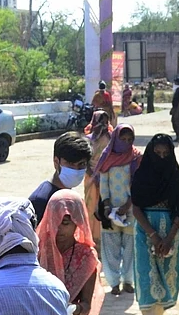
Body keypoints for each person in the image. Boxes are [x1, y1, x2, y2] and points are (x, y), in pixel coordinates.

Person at [131, 134, 179, 315]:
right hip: (145, 232)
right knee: (147, 282)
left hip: (170, 233)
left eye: (166, 154)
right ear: (150, 153)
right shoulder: (141, 175)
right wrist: (153, 235)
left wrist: (168, 238)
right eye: (157, 153)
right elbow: (136, 208)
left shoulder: (176, 175)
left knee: (166, 283)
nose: (161, 158)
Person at [96, 124, 142, 296]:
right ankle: (114, 282)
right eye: (123, 139)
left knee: (131, 246)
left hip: (132, 209)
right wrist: (108, 206)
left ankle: (128, 281)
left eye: (130, 139)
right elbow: (103, 184)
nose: (126, 143)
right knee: (111, 247)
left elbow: (139, 185)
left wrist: (127, 205)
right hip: (111, 210)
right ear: (116, 139)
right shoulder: (107, 158)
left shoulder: (137, 158)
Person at [28, 131, 94, 224]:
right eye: (70, 163)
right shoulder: (41, 201)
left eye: (81, 164)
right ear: (56, 162)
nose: (76, 169)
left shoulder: (71, 196)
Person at [84, 110, 113, 248]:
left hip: (106, 176)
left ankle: (103, 239)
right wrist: (93, 175)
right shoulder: (88, 139)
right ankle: (90, 239)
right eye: (101, 121)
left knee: (104, 205)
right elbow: (85, 161)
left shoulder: (111, 138)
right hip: (91, 176)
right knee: (91, 206)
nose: (104, 125)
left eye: (106, 122)